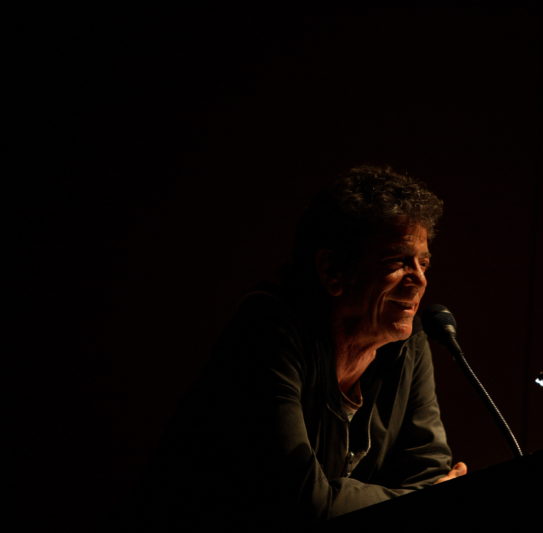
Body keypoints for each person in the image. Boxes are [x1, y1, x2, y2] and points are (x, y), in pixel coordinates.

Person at [127, 165, 466, 532]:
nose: (419, 279)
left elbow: (430, 468)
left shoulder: (408, 340)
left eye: (424, 262)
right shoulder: (268, 330)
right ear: (333, 270)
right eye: (397, 261)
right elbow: (301, 502)